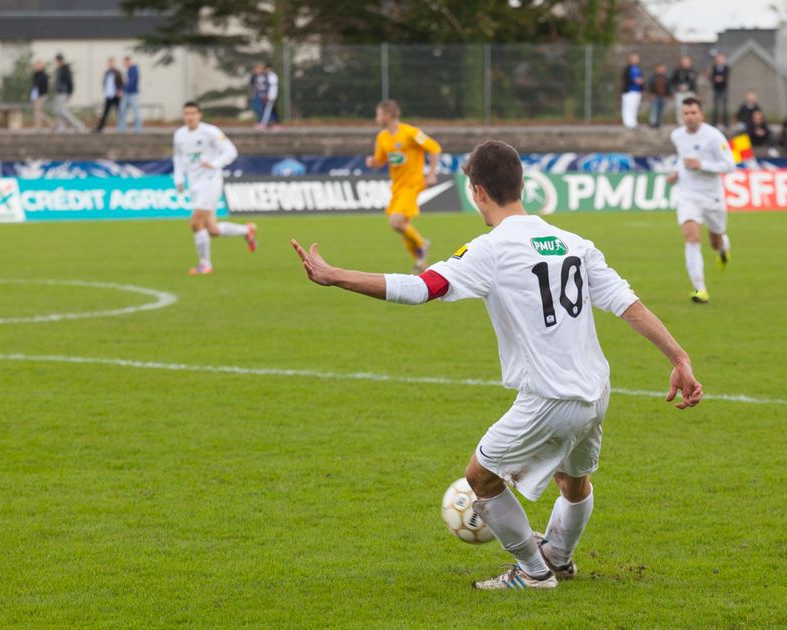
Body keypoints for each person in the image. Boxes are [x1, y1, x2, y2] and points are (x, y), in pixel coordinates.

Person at [291, 140, 703, 590]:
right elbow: (629, 305)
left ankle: (532, 570)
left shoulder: (491, 249)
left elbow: (420, 288)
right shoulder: (574, 243)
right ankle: (560, 558)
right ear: (521, 183)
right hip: (596, 390)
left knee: (480, 477)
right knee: (573, 479)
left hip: (550, 395)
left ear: (477, 191)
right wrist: (679, 357)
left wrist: (336, 276)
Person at [173, 101, 256, 275]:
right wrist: (179, 179)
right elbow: (178, 159)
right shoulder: (179, 135)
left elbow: (230, 151)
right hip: (193, 183)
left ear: (199, 114)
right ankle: (246, 230)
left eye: (193, 113)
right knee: (212, 230)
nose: (190, 117)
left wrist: (214, 163)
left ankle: (205, 265)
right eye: (186, 113)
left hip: (210, 181)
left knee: (196, 223)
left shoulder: (210, 132)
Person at [667, 97, 736, 304]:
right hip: (688, 194)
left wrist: (702, 164)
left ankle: (723, 247)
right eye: (686, 113)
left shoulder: (714, 137)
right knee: (691, 237)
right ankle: (700, 290)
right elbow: (682, 158)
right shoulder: (676, 135)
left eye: (693, 113)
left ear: (701, 115)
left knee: (714, 241)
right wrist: (676, 172)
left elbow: (729, 165)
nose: (689, 117)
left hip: (711, 195)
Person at [365, 100, 441, 272]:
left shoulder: (411, 132)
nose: (376, 118)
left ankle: (422, 244)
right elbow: (380, 160)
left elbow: (434, 148)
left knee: (396, 221)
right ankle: (420, 262)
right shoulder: (382, 137)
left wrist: (431, 174)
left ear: (387, 115)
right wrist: (372, 162)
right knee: (402, 224)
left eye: (378, 114)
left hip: (412, 184)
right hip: (397, 187)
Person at [52, 54, 85, 132]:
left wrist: (70, 93)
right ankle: (62, 127)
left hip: (64, 93)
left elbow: (70, 82)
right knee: (58, 110)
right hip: (58, 92)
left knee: (64, 111)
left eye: (56, 61)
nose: (55, 63)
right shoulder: (59, 70)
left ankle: (79, 125)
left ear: (59, 60)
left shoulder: (65, 69)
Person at [95, 57, 123, 133]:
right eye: (109, 63)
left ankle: (121, 128)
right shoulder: (107, 73)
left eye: (112, 63)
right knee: (105, 113)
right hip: (108, 95)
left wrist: (120, 91)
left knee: (119, 112)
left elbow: (121, 82)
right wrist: (105, 91)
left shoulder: (117, 72)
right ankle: (99, 128)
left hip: (116, 95)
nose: (110, 64)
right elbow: (105, 83)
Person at [670, 55, 697, 125]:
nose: (686, 64)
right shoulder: (677, 71)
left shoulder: (692, 71)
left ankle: (691, 122)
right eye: (684, 62)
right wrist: (678, 86)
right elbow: (672, 81)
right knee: (679, 107)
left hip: (690, 92)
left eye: (687, 62)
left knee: (691, 107)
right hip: (680, 92)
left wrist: (688, 87)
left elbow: (694, 82)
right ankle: (681, 123)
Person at [118, 55, 142, 132]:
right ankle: (122, 129)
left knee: (136, 112)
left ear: (128, 61)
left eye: (125, 63)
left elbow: (132, 82)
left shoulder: (134, 70)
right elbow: (126, 82)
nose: (124, 64)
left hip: (133, 94)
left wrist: (124, 90)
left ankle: (138, 129)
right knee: (122, 111)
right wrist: (122, 89)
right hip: (126, 93)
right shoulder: (128, 70)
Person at [620, 53, 644, 130]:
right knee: (627, 107)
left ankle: (633, 122)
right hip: (629, 91)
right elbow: (626, 79)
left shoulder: (639, 68)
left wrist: (641, 82)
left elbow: (641, 78)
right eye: (634, 58)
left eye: (637, 58)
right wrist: (634, 80)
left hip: (637, 91)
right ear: (630, 59)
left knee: (634, 107)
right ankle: (627, 123)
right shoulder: (628, 69)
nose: (635, 60)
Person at [646, 63, 671, 129]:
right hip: (655, 96)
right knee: (654, 110)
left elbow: (669, 87)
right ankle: (652, 123)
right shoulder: (653, 77)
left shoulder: (666, 78)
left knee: (661, 110)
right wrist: (651, 94)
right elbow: (649, 86)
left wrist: (668, 95)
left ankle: (659, 123)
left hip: (663, 96)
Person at [710, 53, 729, 127]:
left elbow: (725, 77)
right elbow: (712, 77)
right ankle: (714, 123)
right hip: (716, 89)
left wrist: (720, 79)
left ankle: (726, 123)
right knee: (715, 107)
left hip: (724, 89)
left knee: (725, 107)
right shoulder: (714, 68)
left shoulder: (726, 68)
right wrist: (716, 79)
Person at [258, 63, 279, 129]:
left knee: (268, 110)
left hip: (271, 95)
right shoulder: (264, 76)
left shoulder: (272, 76)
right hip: (266, 95)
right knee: (268, 110)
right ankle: (267, 123)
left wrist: (270, 96)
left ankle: (264, 123)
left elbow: (271, 86)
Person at [30, 61, 49, 130]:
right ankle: (39, 126)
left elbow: (44, 87)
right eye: (36, 66)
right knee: (37, 112)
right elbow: (33, 86)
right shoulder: (35, 75)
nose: (37, 67)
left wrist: (38, 95)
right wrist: (32, 96)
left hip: (42, 96)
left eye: (38, 66)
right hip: (35, 95)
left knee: (38, 112)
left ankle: (39, 126)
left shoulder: (44, 75)